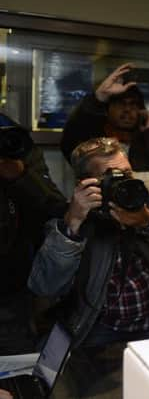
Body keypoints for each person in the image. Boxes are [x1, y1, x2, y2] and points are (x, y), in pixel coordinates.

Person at [28, 137, 149, 348]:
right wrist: (73, 223)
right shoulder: (74, 212)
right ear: (85, 183)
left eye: (126, 173)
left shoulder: (146, 186)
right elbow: (44, 287)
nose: (124, 182)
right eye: (110, 177)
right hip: (102, 323)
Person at [0, 115, 67, 355]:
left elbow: (55, 210)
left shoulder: (11, 137)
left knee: (16, 372)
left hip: (10, 292)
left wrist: (20, 176)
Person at [60, 63, 149, 187]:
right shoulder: (95, 139)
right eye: (121, 103)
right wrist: (98, 98)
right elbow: (71, 140)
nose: (127, 110)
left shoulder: (148, 140)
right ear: (108, 108)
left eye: (133, 104)